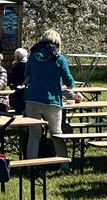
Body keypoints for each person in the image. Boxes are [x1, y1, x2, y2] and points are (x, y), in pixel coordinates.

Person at [25, 29, 75, 168]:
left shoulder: (33, 55)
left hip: (32, 99)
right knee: (56, 133)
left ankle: (30, 167)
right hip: (52, 101)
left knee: (34, 136)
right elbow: (69, 82)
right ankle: (64, 165)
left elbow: (26, 74)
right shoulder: (59, 58)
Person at [8, 48, 28, 113]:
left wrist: (13, 67)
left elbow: (11, 79)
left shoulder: (17, 67)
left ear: (18, 57)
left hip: (19, 92)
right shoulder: (29, 64)